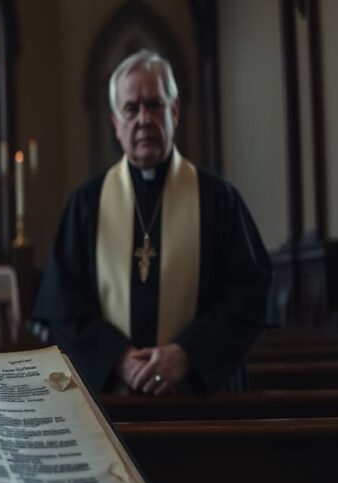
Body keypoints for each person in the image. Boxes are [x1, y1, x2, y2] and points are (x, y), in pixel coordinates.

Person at [33, 50, 272, 396]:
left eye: (155, 105)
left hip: (200, 402)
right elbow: (64, 306)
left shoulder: (219, 200)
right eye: (131, 108)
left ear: (174, 112)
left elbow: (249, 297)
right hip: (113, 401)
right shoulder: (87, 205)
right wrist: (117, 357)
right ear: (116, 123)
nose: (143, 119)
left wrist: (187, 353)